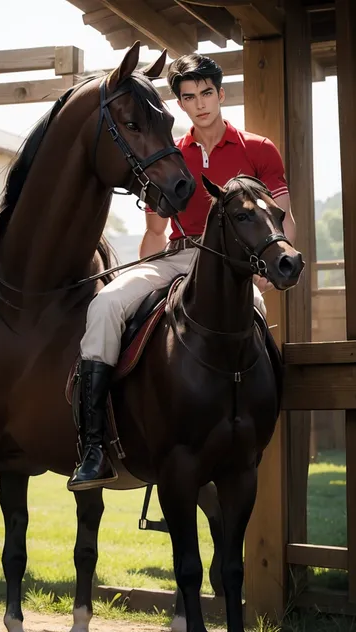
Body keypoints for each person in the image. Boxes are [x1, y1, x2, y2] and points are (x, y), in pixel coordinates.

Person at [67, 53, 297, 492]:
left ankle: (251, 429)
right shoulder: (170, 155)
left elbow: (282, 217)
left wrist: (274, 264)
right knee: (106, 304)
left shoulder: (259, 149)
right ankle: (93, 448)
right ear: (180, 104)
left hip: (233, 268)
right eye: (188, 97)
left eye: (207, 93)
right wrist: (140, 270)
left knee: (259, 318)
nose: (200, 103)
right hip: (176, 256)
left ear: (221, 94)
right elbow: (155, 230)